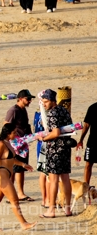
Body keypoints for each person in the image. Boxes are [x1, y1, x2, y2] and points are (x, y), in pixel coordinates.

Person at [0, 123, 38, 231]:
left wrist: (23, 164)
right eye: (14, 132)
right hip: (2, 175)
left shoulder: (8, 143)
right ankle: (23, 223)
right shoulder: (1, 144)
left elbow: (10, 159)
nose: (16, 134)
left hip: (5, 175)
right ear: (7, 133)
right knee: (14, 200)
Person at [40, 89, 73, 218]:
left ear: (53, 101)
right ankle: (68, 209)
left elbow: (55, 133)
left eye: (46, 101)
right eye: (43, 102)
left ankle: (51, 210)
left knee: (53, 180)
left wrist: (43, 138)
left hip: (55, 149)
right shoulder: (63, 110)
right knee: (65, 179)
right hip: (65, 148)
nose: (44, 104)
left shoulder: (52, 113)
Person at [4, 90, 36, 202]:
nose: (30, 101)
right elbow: (6, 126)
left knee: (22, 168)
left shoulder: (23, 110)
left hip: (23, 143)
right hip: (15, 144)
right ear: (21, 98)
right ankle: (11, 194)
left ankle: (20, 193)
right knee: (14, 169)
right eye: (28, 99)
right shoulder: (13, 110)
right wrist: (8, 143)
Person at [77, 102, 97, 187]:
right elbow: (86, 125)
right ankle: (86, 186)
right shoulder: (93, 108)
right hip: (93, 141)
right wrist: (81, 140)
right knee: (88, 164)